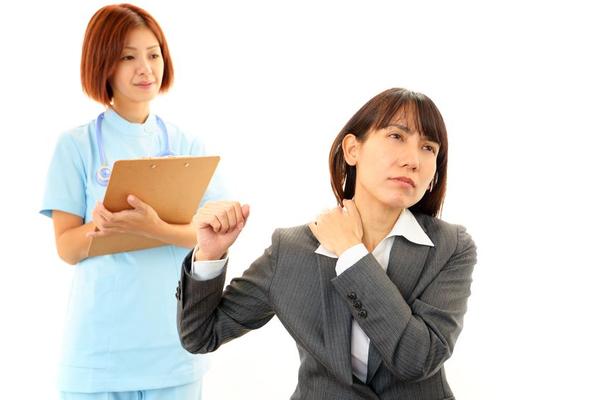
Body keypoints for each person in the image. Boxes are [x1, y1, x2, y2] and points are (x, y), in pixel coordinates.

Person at [177, 88, 477, 399]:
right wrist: (210, 254)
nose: (412, 160)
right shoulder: (292, 249)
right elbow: (200, 336)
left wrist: (351, 252)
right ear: (352, 149)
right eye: (396, 136)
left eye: (428, 147)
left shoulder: (451, 247)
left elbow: (417, 359)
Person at [40, 4, 224, 399]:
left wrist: (153, 228)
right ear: (103, 63)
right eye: (128, 57)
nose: (145, 69)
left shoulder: (188, 145)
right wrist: (106, 225)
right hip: (98, 355)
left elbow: (211, 233)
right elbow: (67, 248)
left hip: (172, 350)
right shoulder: (76, 146)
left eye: (153, 55)